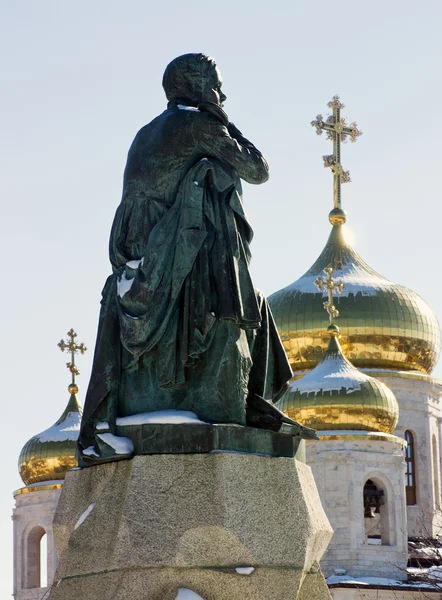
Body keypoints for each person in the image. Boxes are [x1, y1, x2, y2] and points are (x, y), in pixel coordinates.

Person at [78, 53, 309, 465]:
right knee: (242, 302)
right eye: (217, 84)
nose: (223, 93)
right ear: (199, 86)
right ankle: (243, 399)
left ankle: (244, 396)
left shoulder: (145, 133)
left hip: (142, 251)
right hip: (179, 253)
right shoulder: (199, 125)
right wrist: (222, 118)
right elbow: (258, 169)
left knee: (248, 299)